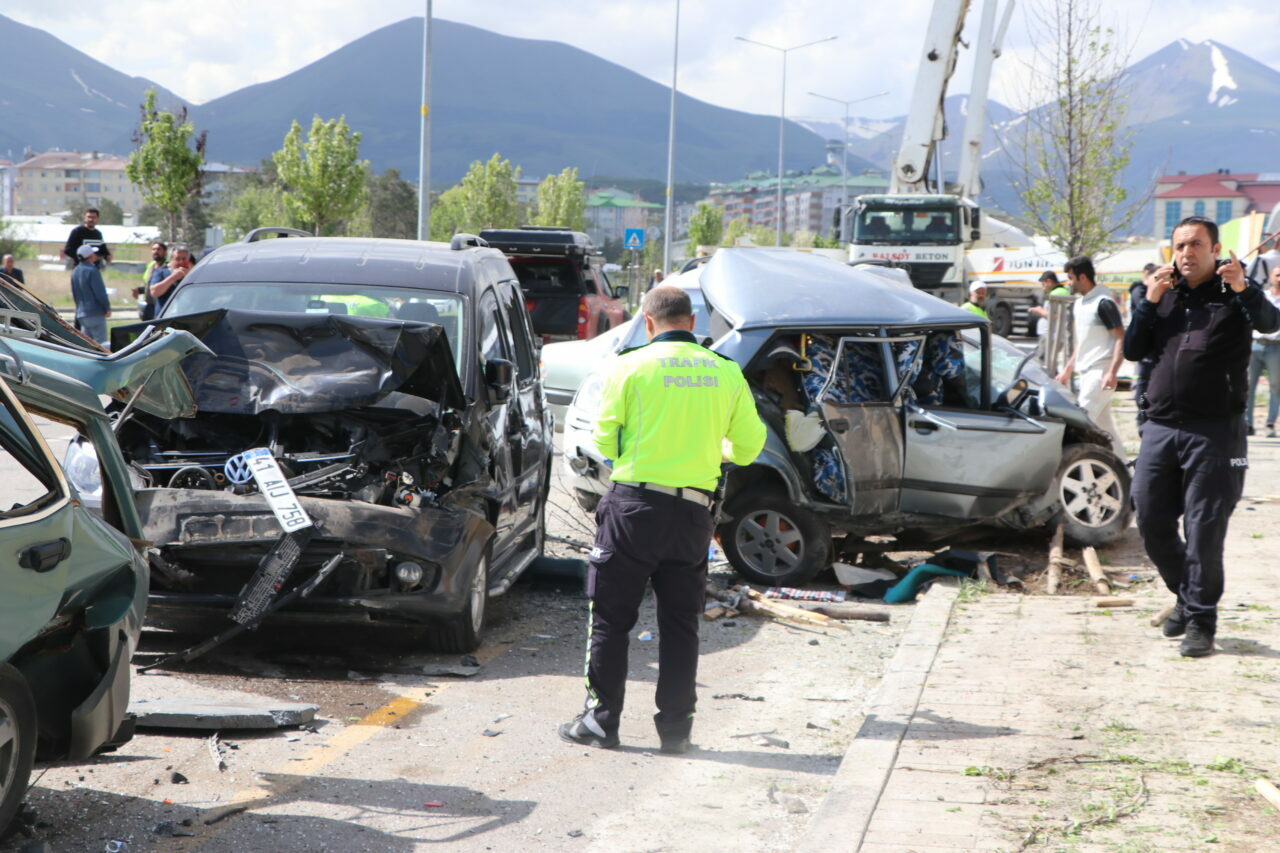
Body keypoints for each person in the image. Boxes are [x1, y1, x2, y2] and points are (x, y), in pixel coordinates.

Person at [559, 285, 766, 753]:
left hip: (633, 508)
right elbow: (750, 448)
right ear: (692, 324)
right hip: (693, 514)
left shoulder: (627, 366)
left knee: (611, 618)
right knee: (681, 624)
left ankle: (600, 722)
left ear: (648, 323)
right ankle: (676, 732)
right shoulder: (726, 372)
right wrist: (714, 450)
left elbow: (604, 443)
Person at [1124, 215, 1280, 657]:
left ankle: (1201, 622)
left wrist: (1245, 287)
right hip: (1160, 427)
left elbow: (1269, 323)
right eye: (1179, 246)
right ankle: (1187, 598)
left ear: (1215, 250)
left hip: (1216, 433)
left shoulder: (1234, 295)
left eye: (1196, 245)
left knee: (1204, 530)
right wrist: (1150, 300)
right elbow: (1134, 348)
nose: (1186, 253)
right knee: (1151, 520)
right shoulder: (1162, 294)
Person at [1054, 256, 1126, 460]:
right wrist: (1068, 368)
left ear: (1082, 277)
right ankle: (1127, 472)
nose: (1068, 282)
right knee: (1105, 428)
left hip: (1100, 373)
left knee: (1080, 423)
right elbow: (1083, 342)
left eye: (1070, 278)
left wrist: (1112, 372)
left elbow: (1120, 337)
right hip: (1086, 373)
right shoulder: (1080, 303)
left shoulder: (1104, 303)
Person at [1246, 265, 1280, 438]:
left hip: (1276, 347)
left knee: (1276, 386)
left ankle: (1270, 423)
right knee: (1249, 386)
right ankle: (1247, 424)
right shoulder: (1262, 297)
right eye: (1278, 275)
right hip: (1255, 344)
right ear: (1270, 277)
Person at [1129, 263, 1160, 428]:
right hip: (1146, 352)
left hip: (1155, 352)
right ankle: (1142, 414)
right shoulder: (1140, 292)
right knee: (1143, 386)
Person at [71, 244, 111, 345]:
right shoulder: (92, 270)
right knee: (102, 346)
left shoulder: (75, 271)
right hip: (95, 313)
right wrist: (107, 308)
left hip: (81, 314)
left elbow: (75, 294)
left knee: (88, 346)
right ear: (90, 256)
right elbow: (99, 293)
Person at [148, 246, 194, 316]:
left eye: (184, 259)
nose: (181, 262)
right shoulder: (161, 272)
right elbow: (154, 292)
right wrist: (173, 277)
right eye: (177, 259)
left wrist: (190, 275)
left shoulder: (192, 274)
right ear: (171, 259)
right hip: (164, 318)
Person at [1028, 270, 1070, 338]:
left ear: (1049, 281)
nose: (1042, 287)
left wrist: (1040, 312)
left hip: (1051, 337)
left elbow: (1056, 316)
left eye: (1043, 284)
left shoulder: (1056, 294)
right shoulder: (1059, 291)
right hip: (1052, 335)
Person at [138, 242, 167, 320]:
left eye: (158, 249)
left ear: (165, 252)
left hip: (161, 306)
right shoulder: (151, 266)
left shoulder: (167, 267)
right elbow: (148, 284)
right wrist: (139, 291)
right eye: (153, 249)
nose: (155, 251)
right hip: (149, 305)